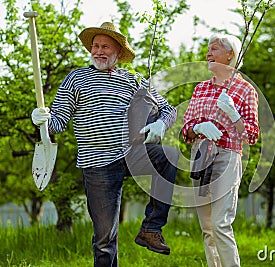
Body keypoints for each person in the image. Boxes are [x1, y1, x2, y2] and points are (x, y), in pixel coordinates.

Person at [31, 22, 178, 266]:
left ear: (118, 52)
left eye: (105, 46)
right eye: (95, 46)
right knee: (104, 239)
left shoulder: (133, 80)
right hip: (96, 163)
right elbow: (56, 123)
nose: (98, 51)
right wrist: (41, 119)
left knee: (168, 156)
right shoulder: (76, 78)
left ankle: (151, 229)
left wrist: (161, 124)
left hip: (129, 153)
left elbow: (169, 109)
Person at [182, 33, 259, 267]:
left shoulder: (245, 90)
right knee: (207, 227)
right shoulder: (200, 89)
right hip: (201, 156)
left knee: (220, 223)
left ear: (230, 55)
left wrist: (234, 114)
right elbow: (185, 130)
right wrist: (198, 126)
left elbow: (252, 136)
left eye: (214, 49)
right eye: (208, 49)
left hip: (227, 157)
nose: (208, 54)